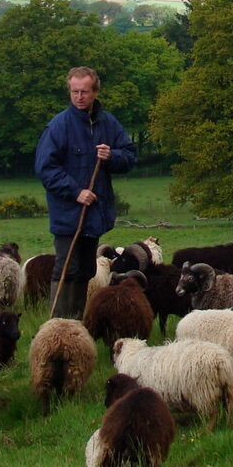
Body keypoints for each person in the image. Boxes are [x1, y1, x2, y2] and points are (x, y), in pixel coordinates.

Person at [35, 66, 137, 319]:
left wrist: (112, 156)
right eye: (74, 92)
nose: (79, 96)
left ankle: (76, 322)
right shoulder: (59, 126)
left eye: (84, 92)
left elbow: (130, 156)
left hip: (94, 213)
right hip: (68, 212)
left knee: (86, 269)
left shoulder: (108, 123)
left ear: (95, 92)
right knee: (67, 266)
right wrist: (76, 192)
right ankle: (58, 326)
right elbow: (45, 168)